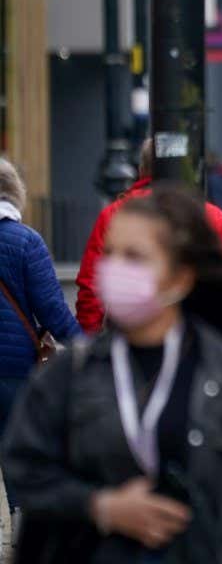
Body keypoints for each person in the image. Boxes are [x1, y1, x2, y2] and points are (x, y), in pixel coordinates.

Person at [2, 186, 222, 562]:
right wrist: (100, 507)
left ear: (180, 278)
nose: (116, 269)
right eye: (111, 254)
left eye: (134, 258)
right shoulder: (71, 375)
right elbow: (28, 472)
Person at [75, 139, 222, 334]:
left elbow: (90, 287)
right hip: (199, 336)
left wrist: (91, 338)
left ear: (142, 168)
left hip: (127, 334)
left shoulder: (115, 215)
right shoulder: (211, 217)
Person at [0, 159, 82, 525]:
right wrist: (90, 349)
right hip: (13, 368)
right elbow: (52, 310)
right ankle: (20, 523)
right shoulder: (26, 241)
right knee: (16, 445)